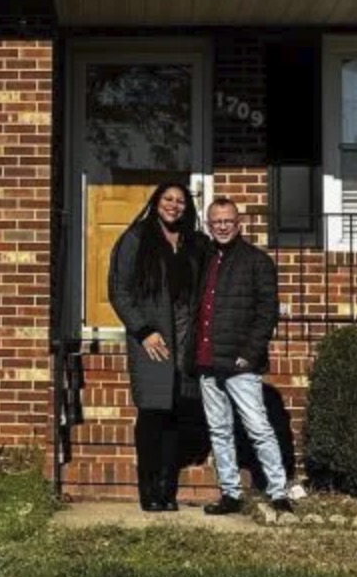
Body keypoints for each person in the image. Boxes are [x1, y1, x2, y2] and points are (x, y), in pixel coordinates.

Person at [108, 181, 204, 512]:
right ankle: (148, 491)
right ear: (156, 201)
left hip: (184, 339)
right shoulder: (135, 239)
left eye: (180, 201)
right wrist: (143, 330)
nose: (173, 205)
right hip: (152, 339)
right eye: (168, 199)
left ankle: (167, 489)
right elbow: (119, 291)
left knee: (176, 414)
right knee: (152, 414)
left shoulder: (194, 243)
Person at [196, 197, 293, 515]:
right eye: (216, 221)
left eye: (227, 220)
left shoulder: (257, 261)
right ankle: (230, 493)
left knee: (257, 427)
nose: (222, 226)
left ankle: (278, 492)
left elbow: (267, 314)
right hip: (207, 360)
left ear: (238, 223)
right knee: (219, 430)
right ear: (209, 225)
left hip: (240, 363)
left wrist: (248, 355)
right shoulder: (204, 260)